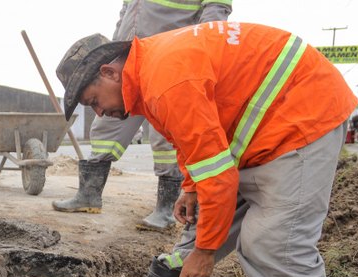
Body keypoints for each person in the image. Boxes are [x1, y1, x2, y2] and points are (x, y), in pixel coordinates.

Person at [56, 24, 357, 277]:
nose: (100, 113)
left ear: (108, 72)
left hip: (299, 119)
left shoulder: (165, 79)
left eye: (93, 102)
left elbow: (218, 174)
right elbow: (196, 139)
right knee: (196, 229)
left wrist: (207, 250)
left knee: (272, 244)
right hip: (251, 132)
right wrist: (192, 187)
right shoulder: (151, 76)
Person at [52, 0, 232, 232]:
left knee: (165, 139)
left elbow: (216, 10)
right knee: (105, 128)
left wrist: (205, 51)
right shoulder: (111, 78)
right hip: (128, 61)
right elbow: (126, 12)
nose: (95, 108)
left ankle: (165, 209)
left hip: (168, 64)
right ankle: (89, 194)